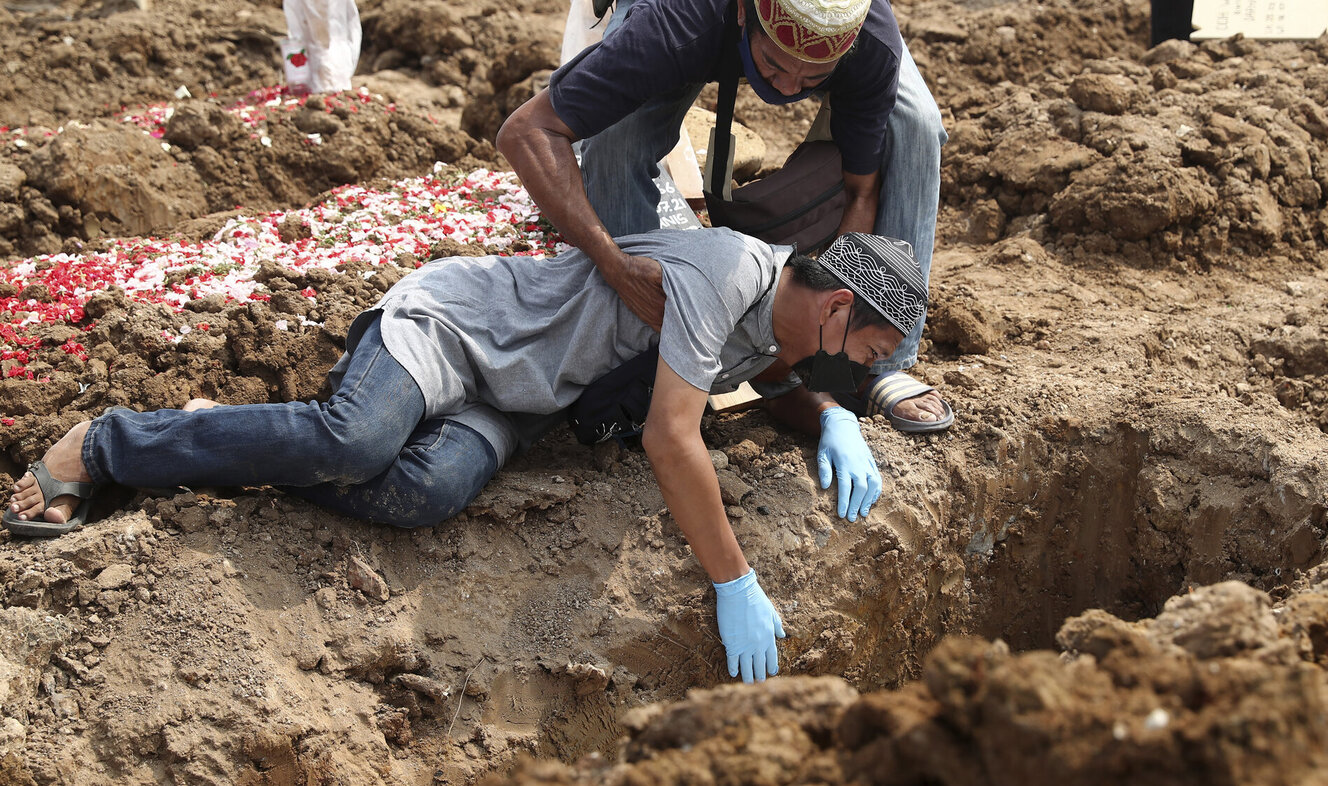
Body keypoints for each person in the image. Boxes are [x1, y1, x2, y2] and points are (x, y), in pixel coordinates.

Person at [5, 230, 928, 684]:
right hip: (456, 331)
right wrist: (733, 578)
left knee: (427, 490)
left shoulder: (781, 318)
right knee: (353, 439)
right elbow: (669, 436)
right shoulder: (731, 271)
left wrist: (825, 420)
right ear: (840, 310)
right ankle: (106, 443)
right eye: (866, 353)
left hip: (513, 402)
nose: (856, 372)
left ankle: (233, 437)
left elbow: (767, 373)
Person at [497, 0, 953, 434]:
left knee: (915, 124)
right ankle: (645, 342)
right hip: (694, 27)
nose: (788, 87)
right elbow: (527, 130)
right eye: (773, 64)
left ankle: (880, 365)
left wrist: (842, 328)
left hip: (832, 39)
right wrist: (616, 265)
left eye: (813, 75)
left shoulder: (869, 38)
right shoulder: (673, 24)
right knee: (619, 142)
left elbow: (862, 188)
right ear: (743, 12)